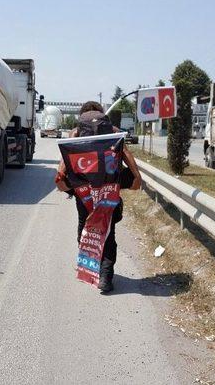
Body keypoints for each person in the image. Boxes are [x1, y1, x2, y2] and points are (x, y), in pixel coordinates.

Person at [55, 101, 141, 293]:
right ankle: (105, 277)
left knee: (84, 225)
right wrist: (136, 177)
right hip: (108, 189)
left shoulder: (76, 132)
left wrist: (60, 177)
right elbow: (125, 153)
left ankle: (92, 266)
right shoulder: (112, 129)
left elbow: (65, 159)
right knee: (109, 230)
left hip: (84, 190)